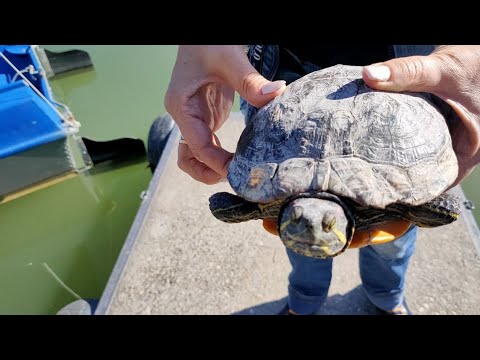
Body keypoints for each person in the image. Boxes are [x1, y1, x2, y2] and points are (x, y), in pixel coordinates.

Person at [164, 45, 480, 315]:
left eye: (324, 224)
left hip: (406, 86)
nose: (313, 228)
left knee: (393, 249)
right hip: (284, 90)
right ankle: (305, 301)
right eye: (300, 219)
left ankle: (387, 298)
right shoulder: (297, 214)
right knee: (303, 249)